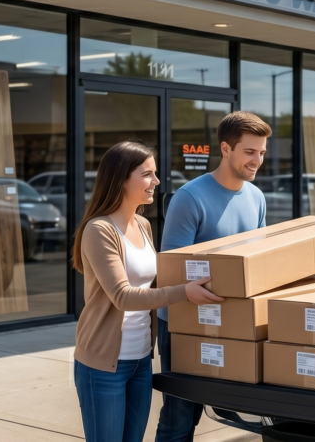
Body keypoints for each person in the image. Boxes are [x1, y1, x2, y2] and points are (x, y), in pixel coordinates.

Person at [72, 140, 224, 442]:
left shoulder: (142, 224)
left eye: (155, 173)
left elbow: (152, 284)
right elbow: (123, 296)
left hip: (140, 360)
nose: (156, 181)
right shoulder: (99, 230)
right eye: (147, 174)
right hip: (102, 365)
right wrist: (184, 291)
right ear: (121, 178)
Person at [155, 111, 271, 442]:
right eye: (250, 152)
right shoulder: (189, 198)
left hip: (231, 318)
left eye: (261, 153)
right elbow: (171, 270)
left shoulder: (256, 197)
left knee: (231, 407)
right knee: (180, 418)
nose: (257, 161)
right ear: (226, 148)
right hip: (183, 321)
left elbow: (259, 259)